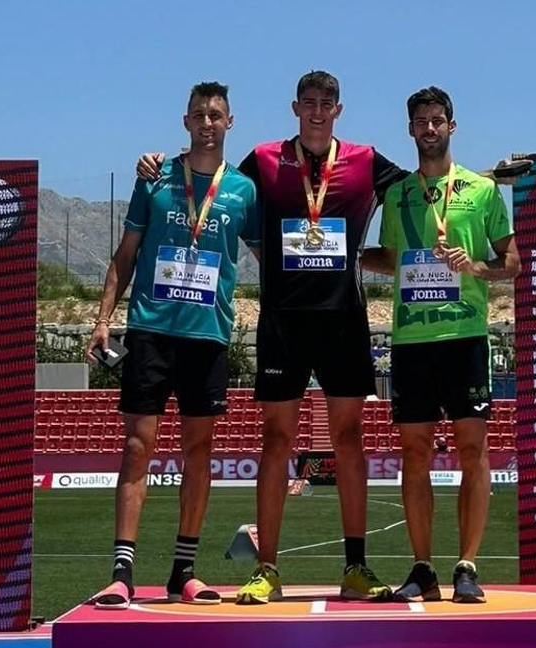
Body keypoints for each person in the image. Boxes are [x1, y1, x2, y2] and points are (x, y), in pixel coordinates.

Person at [139, 70, 409, 604]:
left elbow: (426, 183)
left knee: (349, 440)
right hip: (283, 320)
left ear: (339, 109)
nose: (316, 111)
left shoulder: (366, 159)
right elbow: (207, 179)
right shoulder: (264, 160)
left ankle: (356, 567)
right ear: (294, 107)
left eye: (325, 103)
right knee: (276, 441)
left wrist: (491, 177)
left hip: (344, 317)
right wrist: (157, 163)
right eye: (307, 102)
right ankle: (267, 569)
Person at [85, 81, 260, 609]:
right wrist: (102, 319)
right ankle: (122, 571)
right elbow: (126, 253)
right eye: (199, 115)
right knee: (137, 447)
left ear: (230, 123)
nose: (208, 123)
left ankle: (184, 569)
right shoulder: (156, 176)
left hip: (207, 335)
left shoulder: (243, 189)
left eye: (217, 115)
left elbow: (266, 256)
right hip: (151, 329)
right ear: (186, 121)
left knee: (198, 453)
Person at [362, 86, 520, 603]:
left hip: (465, 335)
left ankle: (467, 565)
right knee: (415, 453)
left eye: (437, 120)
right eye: (421, 121)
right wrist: (342, 254)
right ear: (410, 130)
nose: (429, 129)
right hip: (412, 339)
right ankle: (423, 567)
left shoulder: (481, 191)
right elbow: (391, 256)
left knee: (474, 450)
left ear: (452, 127)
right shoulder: (398, 194)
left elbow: (512, 265)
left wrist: (474, 266)